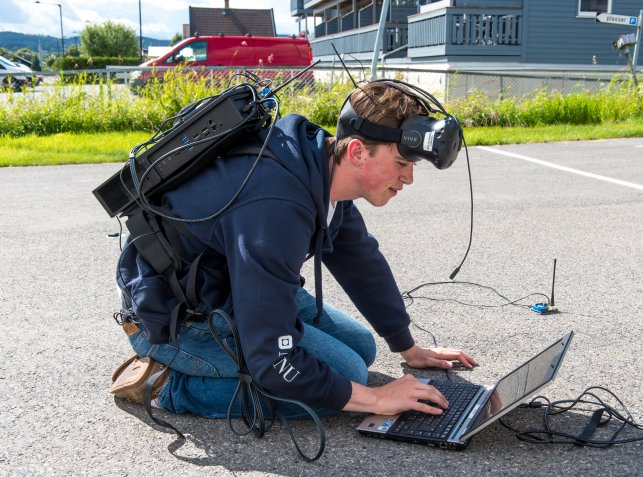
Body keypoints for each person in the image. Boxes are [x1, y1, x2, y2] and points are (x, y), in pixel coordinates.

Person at [110, 80, 477, 423]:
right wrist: (375, 399)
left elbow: (359, 260)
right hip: (175, 313)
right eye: (401, 163)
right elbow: (272, 359)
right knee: (344, 377)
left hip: (236, 284)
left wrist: (408, 347)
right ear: (357, 151)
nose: (408, 178)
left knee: (361, 348)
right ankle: (170, 385)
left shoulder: (320, 165)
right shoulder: (276, 205)